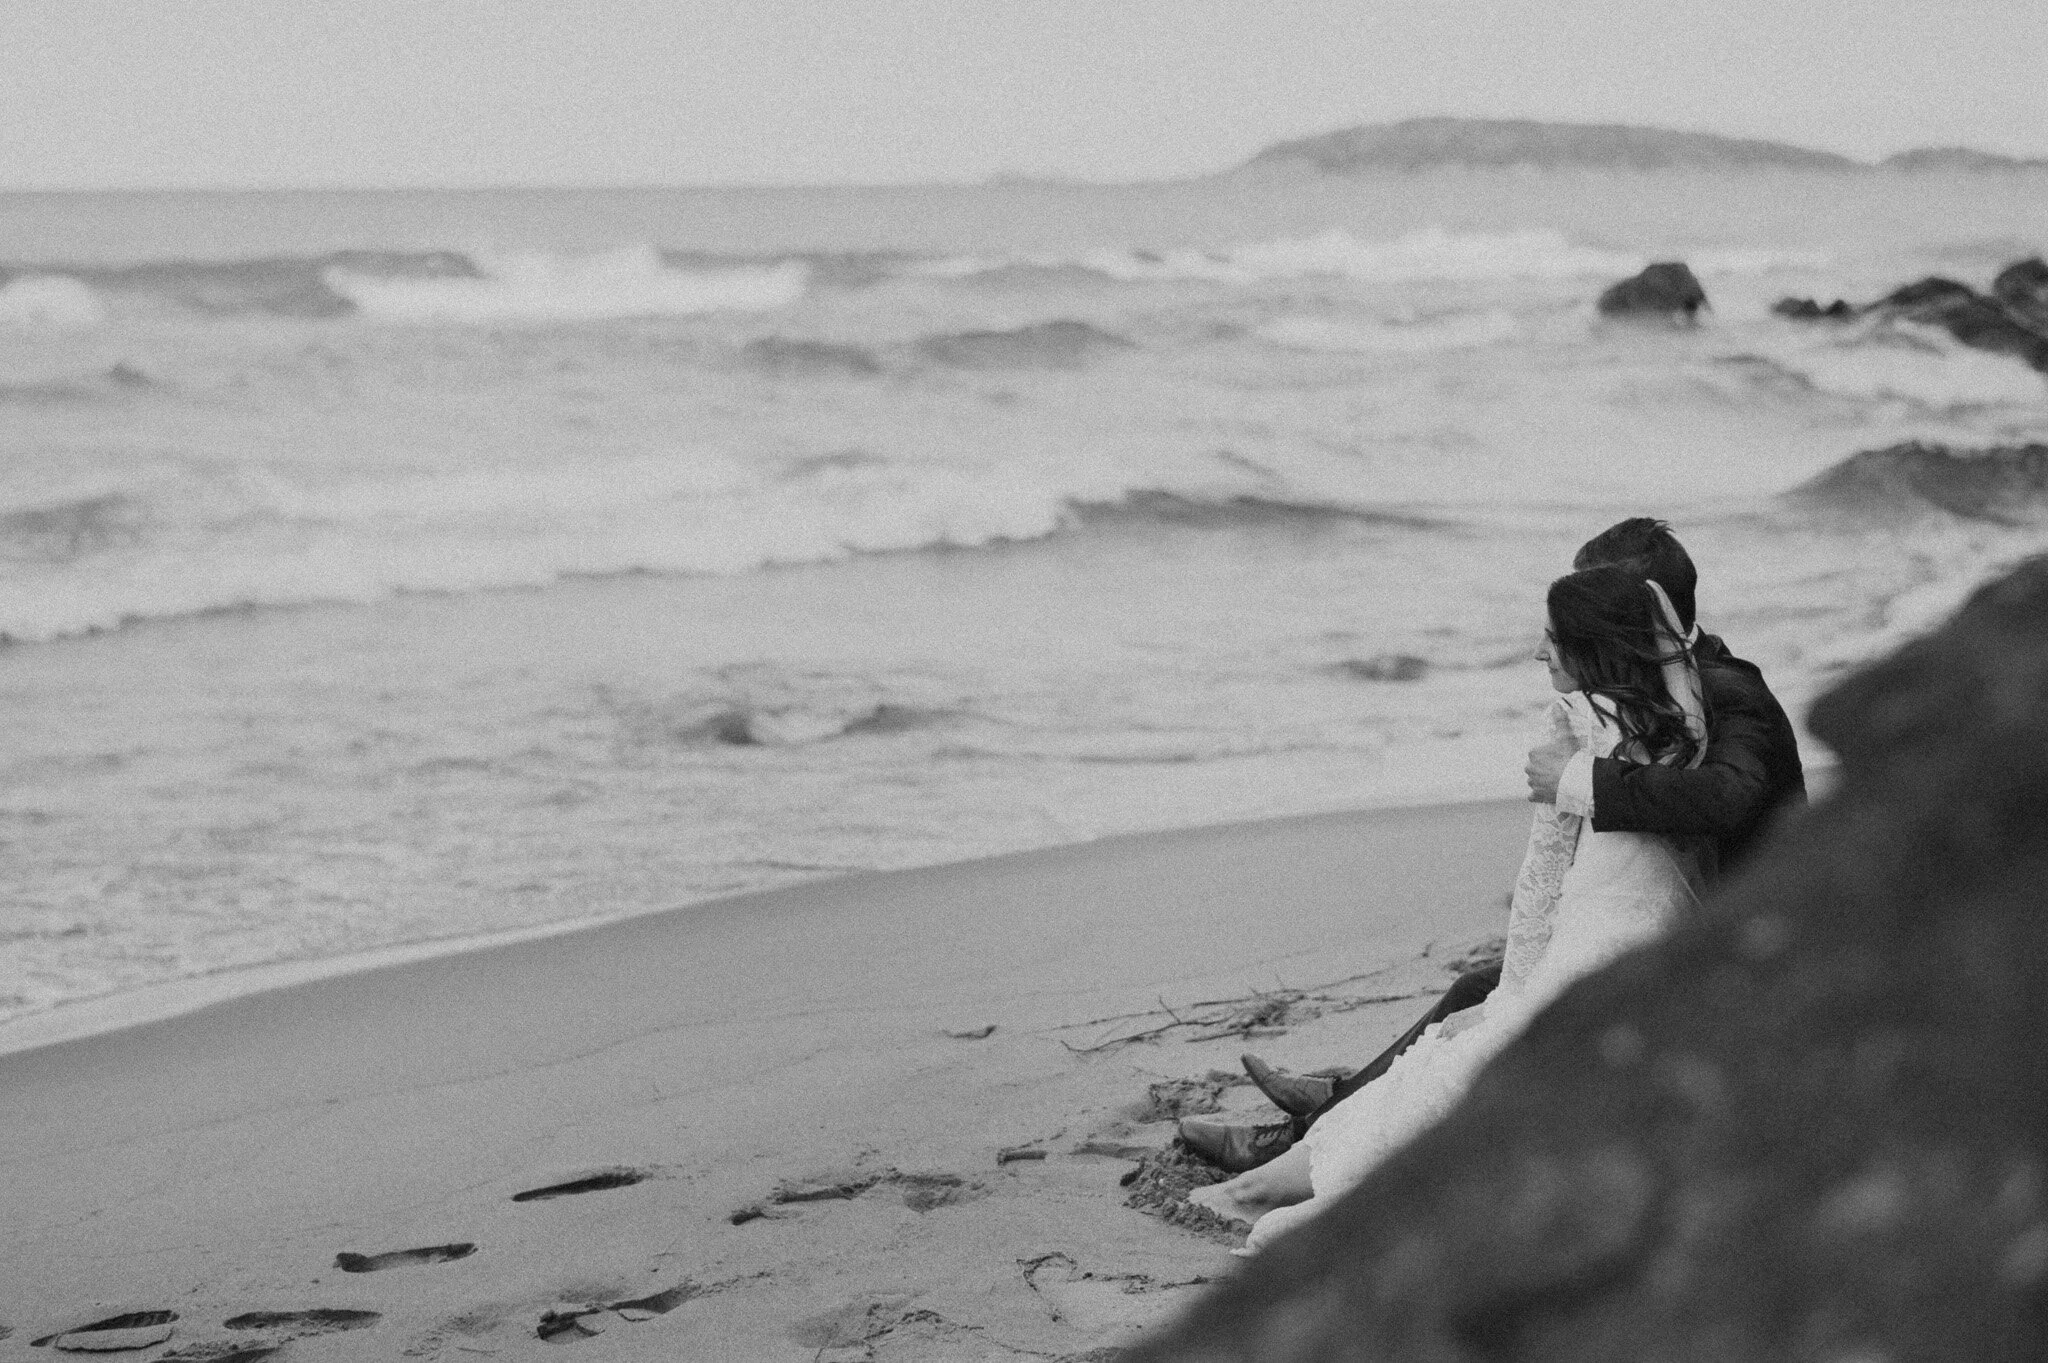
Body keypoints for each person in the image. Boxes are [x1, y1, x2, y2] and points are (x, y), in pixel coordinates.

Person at [1180, 518, 1806, 1174]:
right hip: (1674, 926)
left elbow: (1729, 796)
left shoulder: (1730, 690)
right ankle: (1333, 1112)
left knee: (1488, 1001)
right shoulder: (1658, 683)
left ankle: (1306, 1144)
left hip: (1739, 952)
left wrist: (1581, 780)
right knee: (1480, 986)